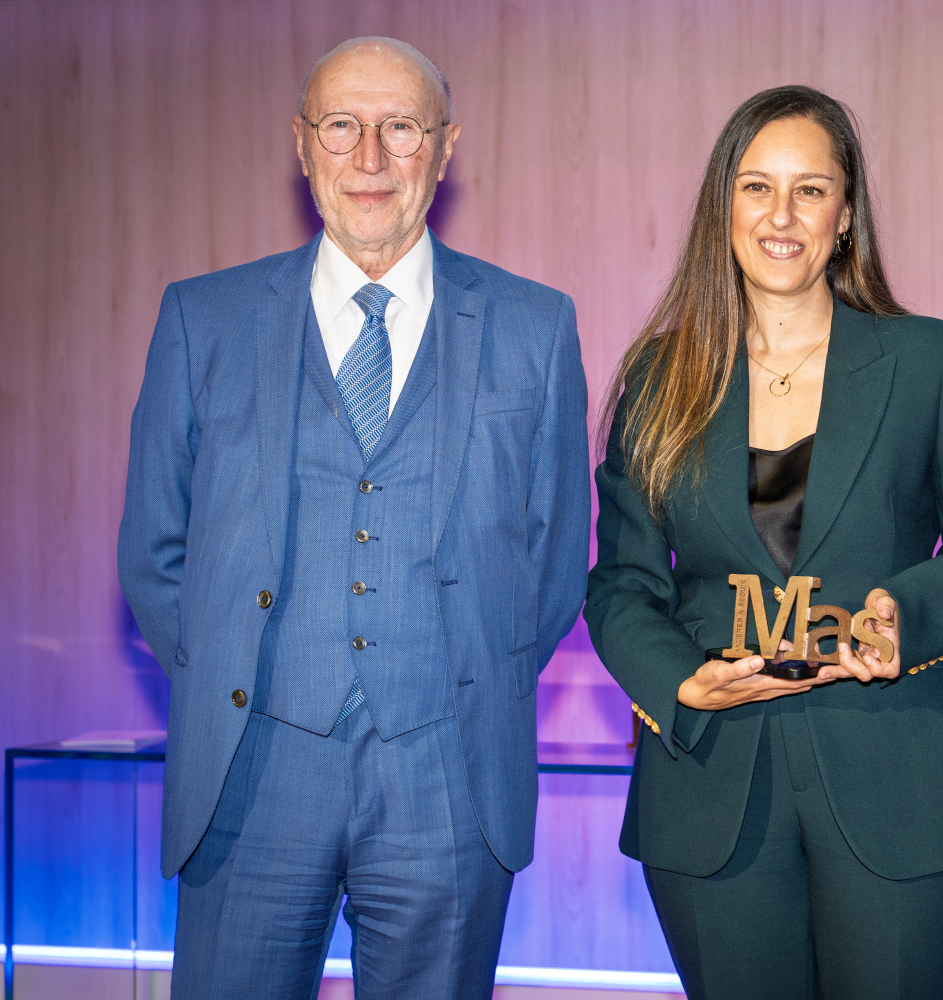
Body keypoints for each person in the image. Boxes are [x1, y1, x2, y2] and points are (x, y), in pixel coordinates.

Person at [117, 37, 589, 998]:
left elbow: (553, 566)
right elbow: (153, 552)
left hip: (449, 781)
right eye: (342, 126)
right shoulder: (200, 320)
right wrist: (233, 673)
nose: (369, 157)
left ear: (444, 148)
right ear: (302, 145)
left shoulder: (535, 327)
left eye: (400, 127)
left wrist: (460, 679)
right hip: (249, 774)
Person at [585, 85, 943, 1000]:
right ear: (726, 208)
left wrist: (902, 618)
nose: (781, 216)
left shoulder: (929, 360)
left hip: (904, 773)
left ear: (847, 214)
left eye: (809, 190)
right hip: (710, 780)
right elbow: (622, 585)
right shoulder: (659, 376)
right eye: (756, 188)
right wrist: (679, 679)